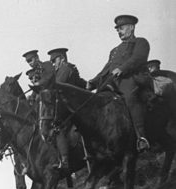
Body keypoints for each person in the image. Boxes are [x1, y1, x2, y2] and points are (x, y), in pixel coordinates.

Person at [87, 15, 151, 152]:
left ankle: (141, 137)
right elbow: (106, 70)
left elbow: (138, 59)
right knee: (96, 99)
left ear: (132, 27)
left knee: (130, 97)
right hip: (114, 80)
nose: (119, 32)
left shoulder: (141, 42)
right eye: (117, 30)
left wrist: (122, 69)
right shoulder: (114, 50)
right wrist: (93, 82)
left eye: (121, 28)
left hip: (132, 77)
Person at [45, 48, 86, 180]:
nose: (53, 64)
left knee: (58, 127)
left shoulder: (65, 68)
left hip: (71, 106)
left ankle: (65, 162)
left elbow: (58, 85)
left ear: (62, 58)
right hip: (68, 105)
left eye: (54, 60)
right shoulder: (62, 70)